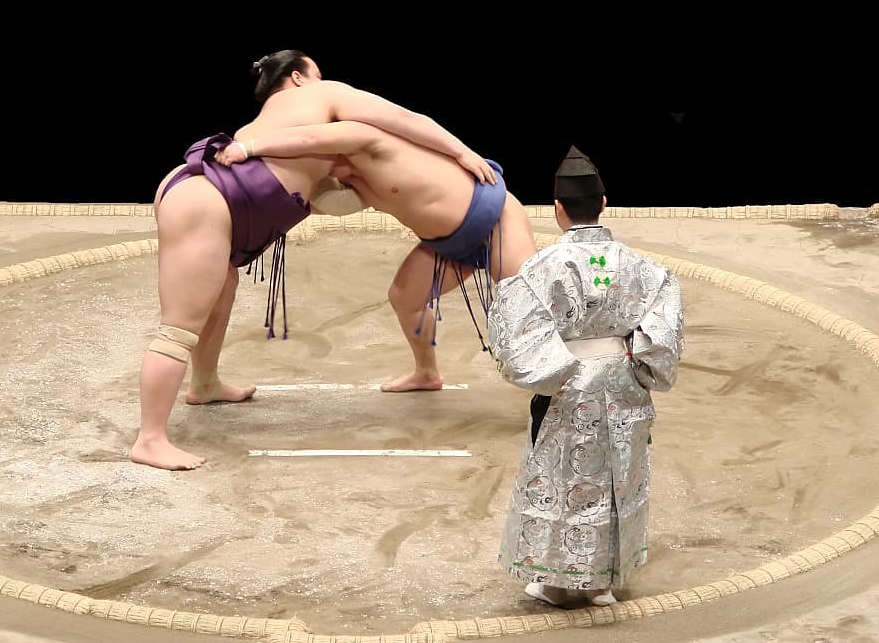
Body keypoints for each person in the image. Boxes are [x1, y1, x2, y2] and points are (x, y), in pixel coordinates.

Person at [132, 49, 498, 471]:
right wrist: (462, 152)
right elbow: (408, 120)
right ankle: (150, 439)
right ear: (298, 76)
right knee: (179, 329)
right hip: (206, 204)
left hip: (204, 197)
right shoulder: (321, 94)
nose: (324, 80)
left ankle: (205, 383)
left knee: (221, 288)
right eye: (318, 73)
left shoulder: (266, 122)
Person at [485, 146, 685, 608]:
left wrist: (554, 371)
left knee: (566, 480)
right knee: (617, 479)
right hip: (625, 381)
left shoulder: (539, 269)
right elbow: (663, 328)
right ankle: (602, 584)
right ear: (603, 203)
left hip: (569, 384)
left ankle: (559, 584)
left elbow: (516, 333)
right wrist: (635, 360)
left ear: (557, 209)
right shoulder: (643, 268)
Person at [213, 121, 539, 393]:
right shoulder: (347, 187)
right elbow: (290, 199)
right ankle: (427, 373)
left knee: (531, 307)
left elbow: (307, 137)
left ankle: (563, 387)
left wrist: (248, 147)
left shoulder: (367, 139)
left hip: (494, 219)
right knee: (405, 298)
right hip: (447, 245)